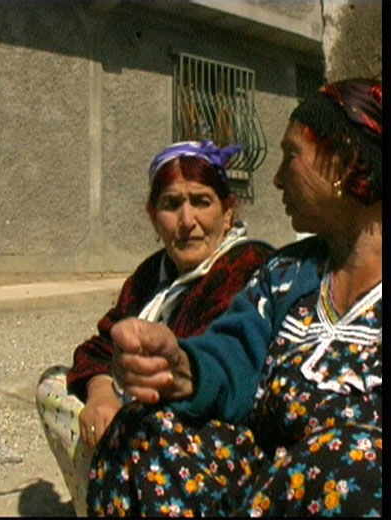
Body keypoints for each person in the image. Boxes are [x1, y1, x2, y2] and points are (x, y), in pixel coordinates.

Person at [88, 78, 382, 517]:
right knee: (143, 430)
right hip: (263, 486)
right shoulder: (285, 276)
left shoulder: (244, 261)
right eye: (171, 205)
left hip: (352, 491)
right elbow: (233, 354)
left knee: (349, 463)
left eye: (290, 157)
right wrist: (181, 367)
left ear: (344, 160)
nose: (278, 180)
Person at [36, 140, 274, 515]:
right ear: (153, 218)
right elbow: (98, 346)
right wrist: (100, 394)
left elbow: (209, 373)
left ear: (228, 213)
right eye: (171, 204)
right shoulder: (152, 275)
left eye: (201, 201)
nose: (187, 221)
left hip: (209, 434)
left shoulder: (246, 266)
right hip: (136, 411)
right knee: (54, 384)